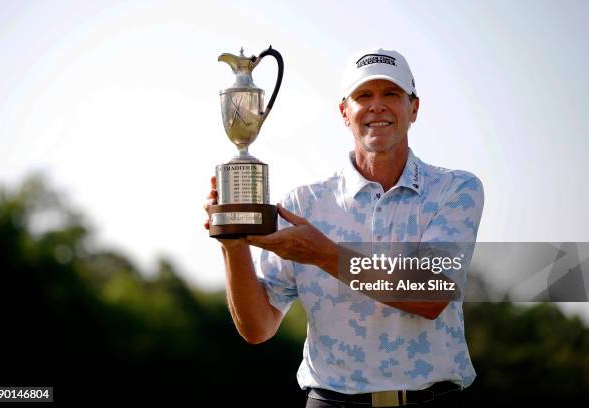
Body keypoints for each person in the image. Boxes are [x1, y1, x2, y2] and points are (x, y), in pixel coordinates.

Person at [204, 48, 484, 407]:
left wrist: (323, 254)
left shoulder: (456, 189)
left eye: (391, 94)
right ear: (344, 112)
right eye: (363, 95)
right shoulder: (303, 204)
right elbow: (258, 327)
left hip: (432, 399)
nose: (377, 106)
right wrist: (232, 244)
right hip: (329, 401)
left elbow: (430, 296)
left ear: (414, 108)